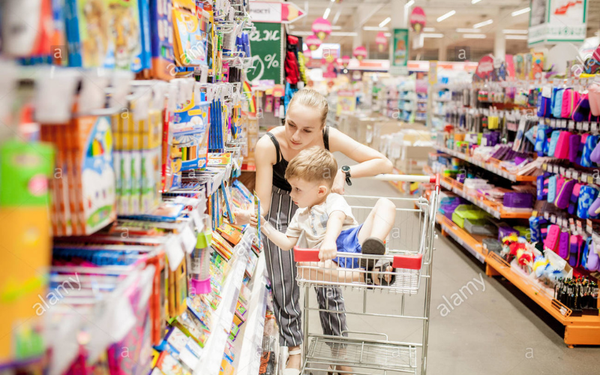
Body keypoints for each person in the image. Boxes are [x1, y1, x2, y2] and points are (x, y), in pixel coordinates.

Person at [234, 88, 393, 375]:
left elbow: (383, 162)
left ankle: (338, 349)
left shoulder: (329, 137)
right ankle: (294, 348)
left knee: (327, 281)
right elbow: (264, 204)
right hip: (283, 204)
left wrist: (344, 173)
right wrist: (254, 219)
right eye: (290, 124)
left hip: (319, 205)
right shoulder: (268, 145)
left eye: (307, 130)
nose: (295, 136)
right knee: (285, 278)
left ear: (321, 128)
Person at [257, 147, 397, 285]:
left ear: (321, 191)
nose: (291, 194)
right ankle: (366, 275)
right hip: (331, 259)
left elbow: (336, 218)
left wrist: (329, 241)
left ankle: (374, 245)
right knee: (303, 267)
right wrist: (263, 225)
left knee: (386, 204)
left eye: (297, 189)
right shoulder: (300, 215)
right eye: (291, 188)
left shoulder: (333, 199)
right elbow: (287, 243)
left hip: (354, 239)